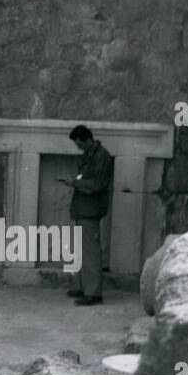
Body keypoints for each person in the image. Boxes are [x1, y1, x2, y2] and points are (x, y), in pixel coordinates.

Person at [59, 125, 115, 307]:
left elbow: (98, 184)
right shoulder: (94, 155)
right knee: (84, 251)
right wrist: (76, 179)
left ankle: (93, 292)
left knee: (90, 252)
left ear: (87, 140)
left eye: (79, 144)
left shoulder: (101, 156)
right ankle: (85, 287)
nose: (79, 148)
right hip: (84, 209)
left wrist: (75, 182)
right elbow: (89, 178)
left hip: (90, 210)